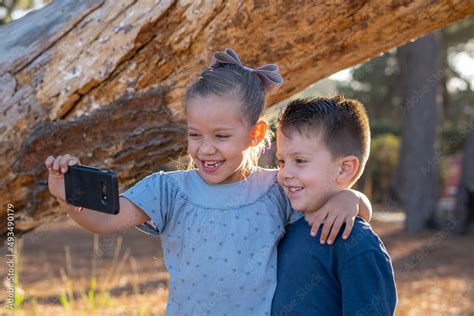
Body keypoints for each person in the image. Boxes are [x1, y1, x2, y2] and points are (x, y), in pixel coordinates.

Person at [45, 49, 372, 315]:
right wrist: (67, 197)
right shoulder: (169, 190)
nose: (205, 148)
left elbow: (334, 202)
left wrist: (350, 199)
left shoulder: (277, 188)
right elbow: (103, 220)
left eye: (221, 136)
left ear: (255, 134)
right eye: (194, 135)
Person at [272, 96, 397, 315]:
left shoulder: (356, 244)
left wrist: (353, 198)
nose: (285, 173)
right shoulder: (284, 219)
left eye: (300, 161)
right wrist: (354, 197)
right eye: (281, 161)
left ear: (344, 169)